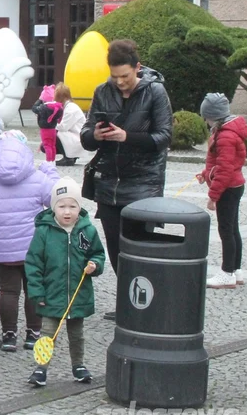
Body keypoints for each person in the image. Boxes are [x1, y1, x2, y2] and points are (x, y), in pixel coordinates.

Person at [80, 38, 171, 319]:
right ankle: (129, 304)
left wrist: (127, 137)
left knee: (142, 249)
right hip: (109, 183)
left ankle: (149, 304)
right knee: (117, 250)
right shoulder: (102, 91)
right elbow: (85, 136)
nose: (120, 82)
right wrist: (94, 135)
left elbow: (164, 137)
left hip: (144, 182)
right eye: (114, 76)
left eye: (125, 76)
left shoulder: (155, 92)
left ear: (137, 68)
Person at [0, 135, 58, 352]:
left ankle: (9, 336)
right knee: (34, 290)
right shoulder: (38, 179)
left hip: (2, 248)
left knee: (8, 291)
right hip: (34, 248)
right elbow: (56, 201)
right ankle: (33, 334)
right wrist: (51, 173)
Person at [25, 177, 105, 387]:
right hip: (52, 295)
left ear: (79, 207)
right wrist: (37, 293)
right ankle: (41, 368)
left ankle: (78, 365)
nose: (67, 211)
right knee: (48, 334)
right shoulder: (44, 231)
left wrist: (94, 265)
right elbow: (33, 264)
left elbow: (97, 254)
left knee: (77, 334)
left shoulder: (87, 231)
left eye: (72, 206)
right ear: (53, 208)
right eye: (62, 206)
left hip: (77, 295)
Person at [198, 93, 247, 289]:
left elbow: (225, 169)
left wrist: (213, 196)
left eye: (206, 116)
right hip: (234, 185)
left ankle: (227, 273)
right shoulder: (227, 131)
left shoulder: (225, 136)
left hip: (228, 188)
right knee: (233, 229)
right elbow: (221, 164)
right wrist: (206, 174)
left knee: (226, 230)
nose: (205, 120)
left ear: (213, 116)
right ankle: (236, 270)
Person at [54, 83, 85, 167]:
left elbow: (63, 127)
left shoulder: (70, 109)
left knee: (54, 134)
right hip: (76, 136)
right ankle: (71, 156)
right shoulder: (69, 106)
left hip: (77, 139)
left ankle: (68, 158)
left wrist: (50, 124)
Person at [32, 85, 64, 163]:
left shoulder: (44, 107)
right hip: (53, 128)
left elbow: (34, 108)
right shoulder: (57, 107)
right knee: (52, 145)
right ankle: (52, 160)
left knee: (47, 145)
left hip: (45, 129)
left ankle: (48, 161)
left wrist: (39, 99)